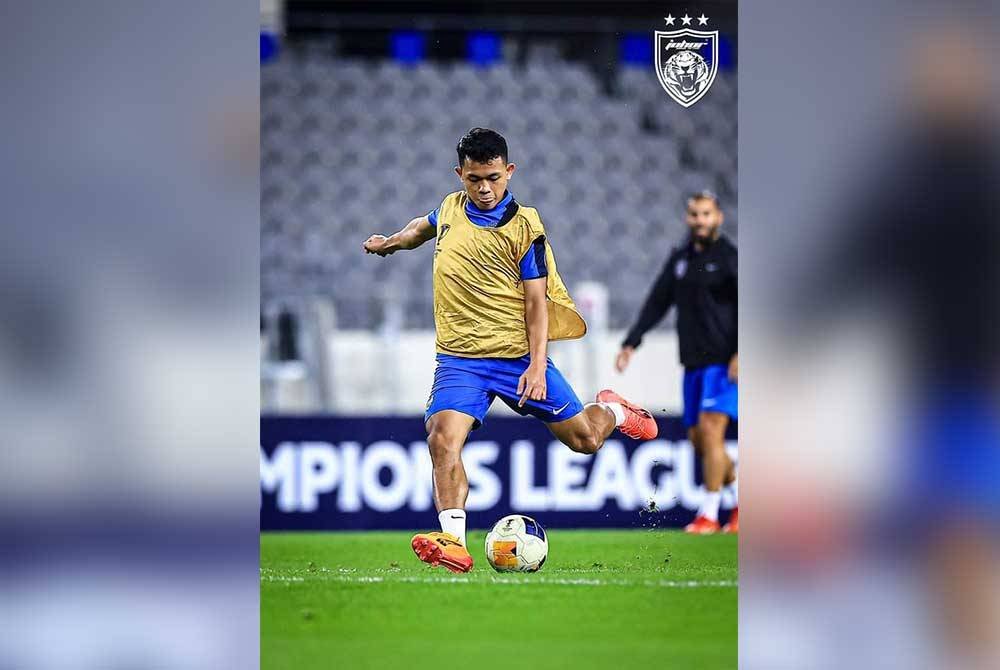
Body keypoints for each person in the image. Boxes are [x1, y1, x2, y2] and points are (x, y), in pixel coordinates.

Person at [362, 128, 657, 572]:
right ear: (460, 173)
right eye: (475, 178)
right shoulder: (449, 207)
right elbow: (420, 229)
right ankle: (453, 542)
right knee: (442, 439)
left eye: (494, 178)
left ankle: (613, 410)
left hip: (517, 355)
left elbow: (537, 303)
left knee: (586, 440)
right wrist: (390, 243)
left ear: (509, 171)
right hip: (460, 359)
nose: (484, 188)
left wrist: (537, 366)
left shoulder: (525, 227)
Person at [615, 191, 738, 534]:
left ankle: (709, 515)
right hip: (693, 364)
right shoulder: (681, 260)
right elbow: (658, 302)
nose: (700, 221)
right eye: (695, 214)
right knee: (700, 441)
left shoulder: (729, 258)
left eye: (706, 214)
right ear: (688, 218)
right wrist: (631, 341)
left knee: (712, 433)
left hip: (725, 363)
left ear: (718, 218)